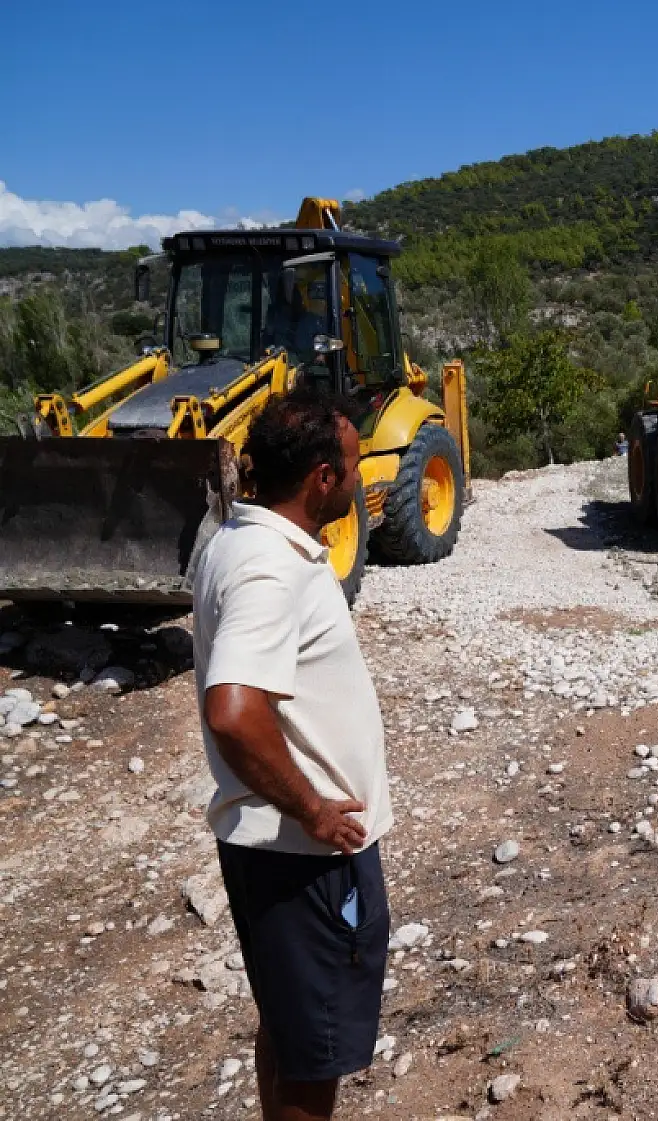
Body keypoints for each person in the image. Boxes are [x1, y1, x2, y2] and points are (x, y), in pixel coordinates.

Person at [193, 389, 392, 1121]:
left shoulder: (234, 542)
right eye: (353, 462)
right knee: (316, 1055)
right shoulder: (270, 569)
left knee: (288, 1026)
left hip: (275, 851)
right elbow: (234, 711)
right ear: (321, 479)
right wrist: (311, 808)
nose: (359, 472)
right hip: (304, 856)